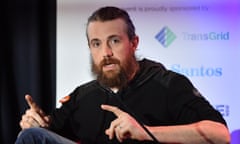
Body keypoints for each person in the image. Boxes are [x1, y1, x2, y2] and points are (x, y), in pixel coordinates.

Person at [15, 6, 230, 144]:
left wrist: (144, 132)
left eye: (114, 41)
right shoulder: (84, 95)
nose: (106, 52)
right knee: (31, 136)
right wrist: (36, 122)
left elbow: (220, 135)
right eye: (96, 44)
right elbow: (50, 131)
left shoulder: (168, 84)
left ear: (133, 43)